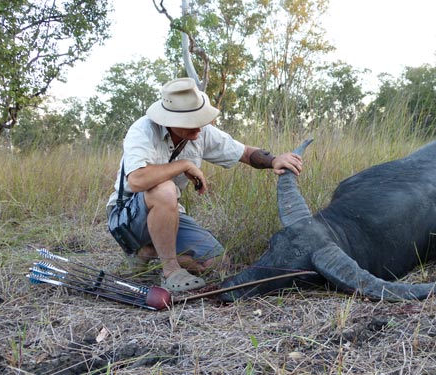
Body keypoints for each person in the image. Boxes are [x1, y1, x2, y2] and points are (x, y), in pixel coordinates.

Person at [107, 77, 303, 292]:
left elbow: (244, 152)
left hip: (170, 212)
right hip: (127, 217)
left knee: (216, 262)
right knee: (165, 188)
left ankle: (147, 253)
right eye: (191, 122)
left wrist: (274, 160)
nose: (199, 129)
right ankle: (171, 270)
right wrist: (184, 165)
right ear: (169, 120)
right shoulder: (143, 130)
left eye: (200, 119)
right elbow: (136, 180)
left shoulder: (200, 131)